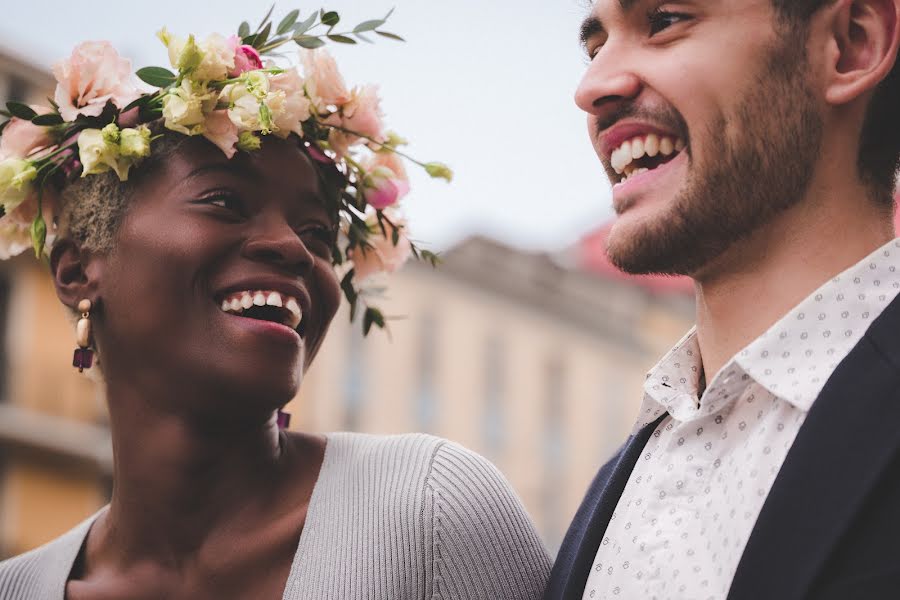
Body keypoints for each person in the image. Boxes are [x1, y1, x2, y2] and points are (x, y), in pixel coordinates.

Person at [0, 8, 550, 600]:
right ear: (79, 271)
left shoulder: (432, 512)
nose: (293, 247)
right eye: (223, 200)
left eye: (317, 233)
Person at [546, 0, 900, 598]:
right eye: (594, 46)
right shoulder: (617, 481)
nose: (593, 86)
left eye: (663, 21)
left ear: (851, 44)